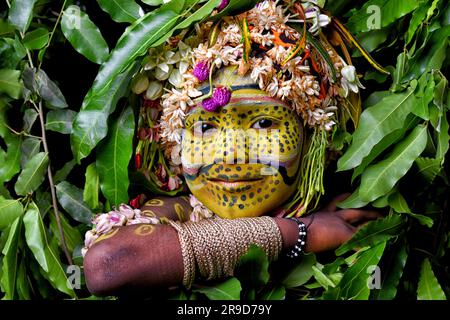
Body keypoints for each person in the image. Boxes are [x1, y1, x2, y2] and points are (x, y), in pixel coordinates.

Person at [82, 1, 383, 296]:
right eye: (204, 127)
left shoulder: (350, 227)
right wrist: (300, 233)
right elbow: (108, 265)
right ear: (175, 144)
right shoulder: (183, 213)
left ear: (314, 137)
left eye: (265, 123)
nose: (231, 154)